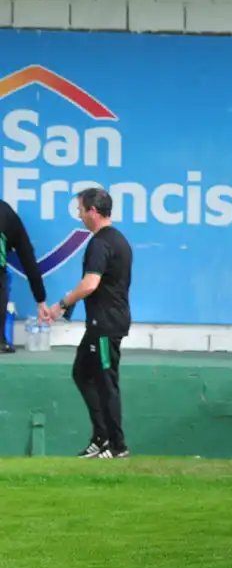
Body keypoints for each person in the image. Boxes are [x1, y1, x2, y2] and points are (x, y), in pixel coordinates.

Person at [46, 189, 133, 459]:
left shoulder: (101, 243)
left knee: (106, 383)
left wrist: (61, 304)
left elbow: (90, 284)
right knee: (82, 373)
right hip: (100, 324)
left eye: (81, 210)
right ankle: (101, 436)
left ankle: (117, 446)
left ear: (93, 211)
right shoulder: (116, 240)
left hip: (106, 325)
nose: (80, 216)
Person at [1, 198, 48, 354]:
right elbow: (28, 258)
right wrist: (40, 300)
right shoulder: (6, 213)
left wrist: (40, 298)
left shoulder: (6, 214)